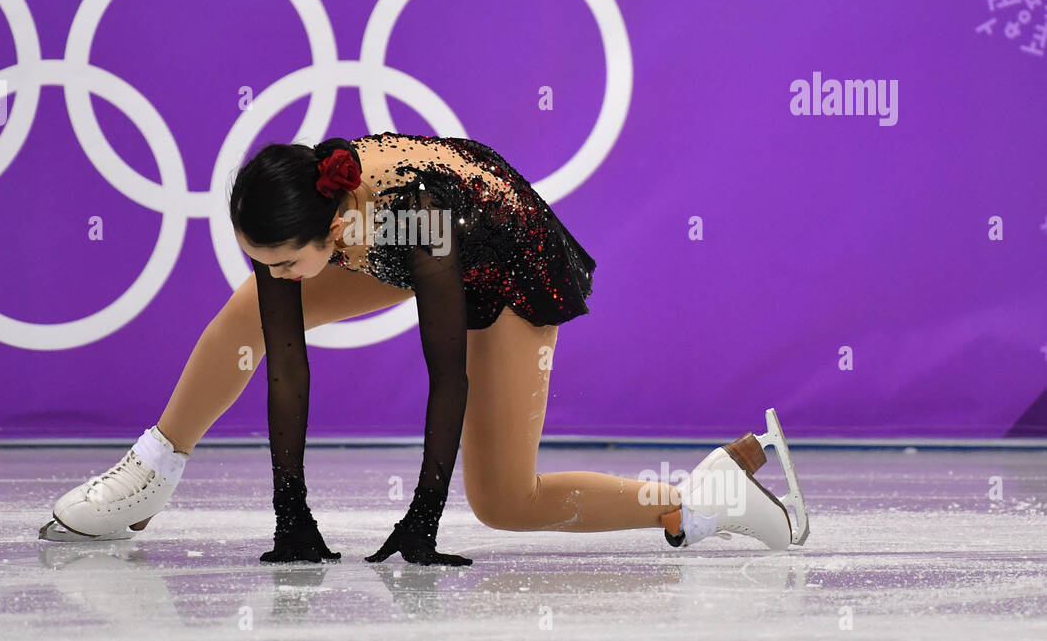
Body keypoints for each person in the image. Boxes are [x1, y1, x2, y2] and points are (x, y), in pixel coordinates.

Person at [39, 131, 803, 561]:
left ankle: (697, 505)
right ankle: (151, 473)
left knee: (505, 501)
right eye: (258, 256)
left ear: (333, 232)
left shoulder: (416, 218)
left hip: (499, 259)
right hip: (397, 237)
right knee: (248, 315)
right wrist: (291, 511)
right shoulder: (316, 207)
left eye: (281, 263)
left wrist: (423, 516)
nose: (271, 276)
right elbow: (282, 354)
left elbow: (447, 378)